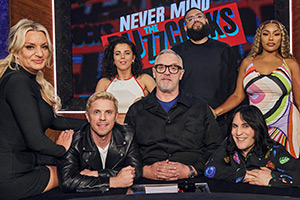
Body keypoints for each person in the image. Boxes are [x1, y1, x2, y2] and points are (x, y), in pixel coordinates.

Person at [0, 19, 85, 199]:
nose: (40, 53)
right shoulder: (18, 82)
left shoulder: (28, 79)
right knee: (80, 177)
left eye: (44, 47)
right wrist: (61, 149)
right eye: (30, 47)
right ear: (16, 52)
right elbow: (35, 141)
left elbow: (53, 120)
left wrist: (90, 123)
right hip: (12, 178)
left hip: (22, 168)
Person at [125, 49, 220, 181]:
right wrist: (143, 170)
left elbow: (216, 148)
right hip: (146, 183)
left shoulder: (199, 108)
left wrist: (192, 170)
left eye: (173, 68)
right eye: (161, 67)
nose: (167, 72)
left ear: (181, 74)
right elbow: (125, 151)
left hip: (192, 182)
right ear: (154, 72)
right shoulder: (136, 111)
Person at [213, 20, 300, 158]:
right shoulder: (247, 63)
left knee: (287, 169)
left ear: (282, 38)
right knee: (255, 167)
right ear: (260, 37)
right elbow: (237, 96)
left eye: (276, 34)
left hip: (285, 126)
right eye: (266, 34)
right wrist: (215, 112)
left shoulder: (290, 64)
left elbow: (299, 100)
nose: (271, 38)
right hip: (255, 126)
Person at [171, 7, 238, 139]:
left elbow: (235, 89)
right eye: (190, 19)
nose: (195, 20)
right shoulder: (176, 52)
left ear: (206, 21)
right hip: (184, 121)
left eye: (199, 16)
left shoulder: (224, 49)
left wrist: (218, 112)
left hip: (219, 121)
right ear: (185, 27)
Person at [57, 91, 142, 193]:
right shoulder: (74, 140)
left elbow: (135, 171)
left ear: (115, 117)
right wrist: (113, 181)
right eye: (96, 112)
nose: (102, 118)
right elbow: (67, 182)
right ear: (88, 116)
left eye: (108, 112)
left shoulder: (128, 135)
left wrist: (96, 174)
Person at [204, 105, 300, 188]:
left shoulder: (273, 149)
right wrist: (243, 174)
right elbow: (210, 169)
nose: (238, 133)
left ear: (257, 128)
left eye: (245, 126)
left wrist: (272, 179)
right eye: (235, 126)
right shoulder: (229, 143)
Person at [95, 37, 156, 124]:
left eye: (127, 53)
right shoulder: (104, 83)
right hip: (112, 131)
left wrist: (144, 101)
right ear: (113, 60)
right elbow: (95, 111)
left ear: (133, 58)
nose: (122, 57)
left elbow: (161, 103)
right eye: (117, 54)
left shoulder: (144, 79)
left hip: (140, 129)